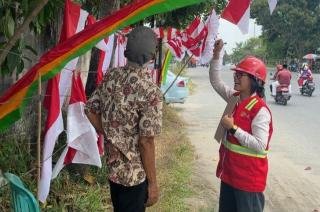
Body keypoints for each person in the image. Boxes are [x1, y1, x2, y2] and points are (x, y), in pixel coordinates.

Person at [85, 26, 162, 212]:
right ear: (151, 56)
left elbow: (89, 109)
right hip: (135, 177)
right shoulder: (151, 91)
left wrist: (110, 132)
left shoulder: (112, 76)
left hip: (113, 170)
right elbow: (146, 141)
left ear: (127, 51)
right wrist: (153, 184)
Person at [209, 39, 273, 212]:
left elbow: (260, 146)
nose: (235, 77)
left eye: (240, 74)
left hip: (248, 182)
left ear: (254, 80)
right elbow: (216, 81)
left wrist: (233, 128)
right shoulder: (234, 97)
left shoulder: (260, 110)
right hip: (230, 175)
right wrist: (216, 55)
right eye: (236, 73)